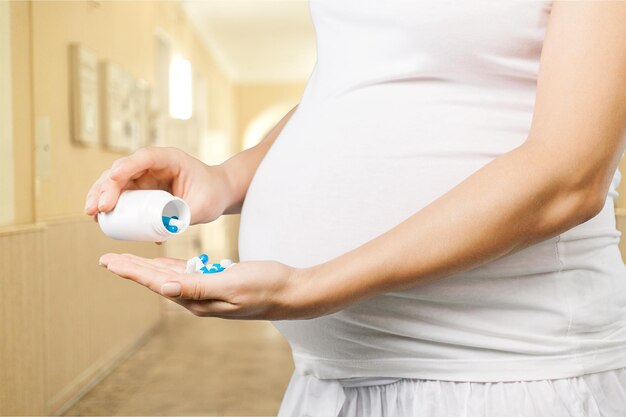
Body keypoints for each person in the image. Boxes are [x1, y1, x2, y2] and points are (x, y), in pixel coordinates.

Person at [85, 1, 626, 415]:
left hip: (501, 375)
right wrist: (224, 179)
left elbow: (570, 175)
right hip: (328, 384)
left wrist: (309, 286)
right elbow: (350, 85)